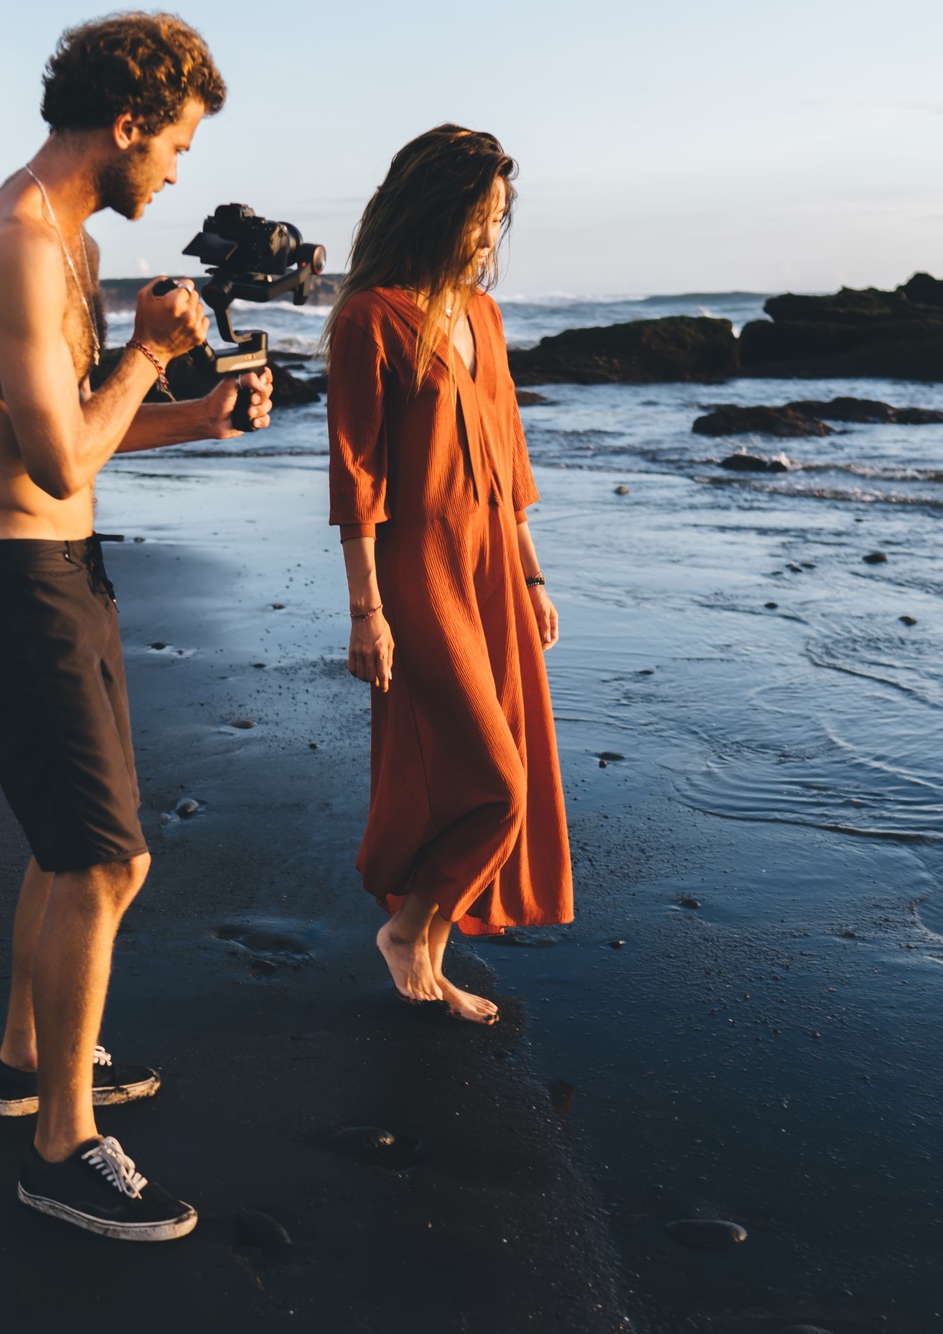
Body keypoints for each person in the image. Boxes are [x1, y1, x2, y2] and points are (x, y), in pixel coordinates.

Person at [0, 13, 271, 1242]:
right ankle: (60, 1144)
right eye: (174, 144)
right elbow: (56, 445)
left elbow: (82, 437)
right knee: (102, 858)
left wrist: (205, 413)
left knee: (71, 842)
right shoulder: (17, 244)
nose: (178, 169)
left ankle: (26, 1060)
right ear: (126, 126)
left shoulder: (59, 239)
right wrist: (147, 352)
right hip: (11, 577)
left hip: (56, 561)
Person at [324, 126, 572, 1027]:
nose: (489, 236)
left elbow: (509, 456)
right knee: (495, 779)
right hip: (419, 569)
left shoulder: (485, 315)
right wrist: (367, 612)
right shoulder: (370, 318)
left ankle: (423, 946)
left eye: (499, 219)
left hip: (495, 567)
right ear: (438, 208)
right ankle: (409, 931)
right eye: (481, 216)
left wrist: (535, 578)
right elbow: (357, 477)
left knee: (501, 771)